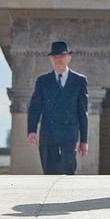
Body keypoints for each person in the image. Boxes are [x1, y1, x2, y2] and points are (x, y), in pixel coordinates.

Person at [26, 41, 90, 175]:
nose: (58, 60)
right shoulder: (43, 81)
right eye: (55, 57)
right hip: (49, 133)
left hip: (69, 132)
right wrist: (31, 130)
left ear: (68, 58)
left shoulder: (79, 81)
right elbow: (35, 108)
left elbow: (82, 111)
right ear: (50, 59)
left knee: (68, 169)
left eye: (62, 56)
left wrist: (84, 140)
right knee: (49, 171)